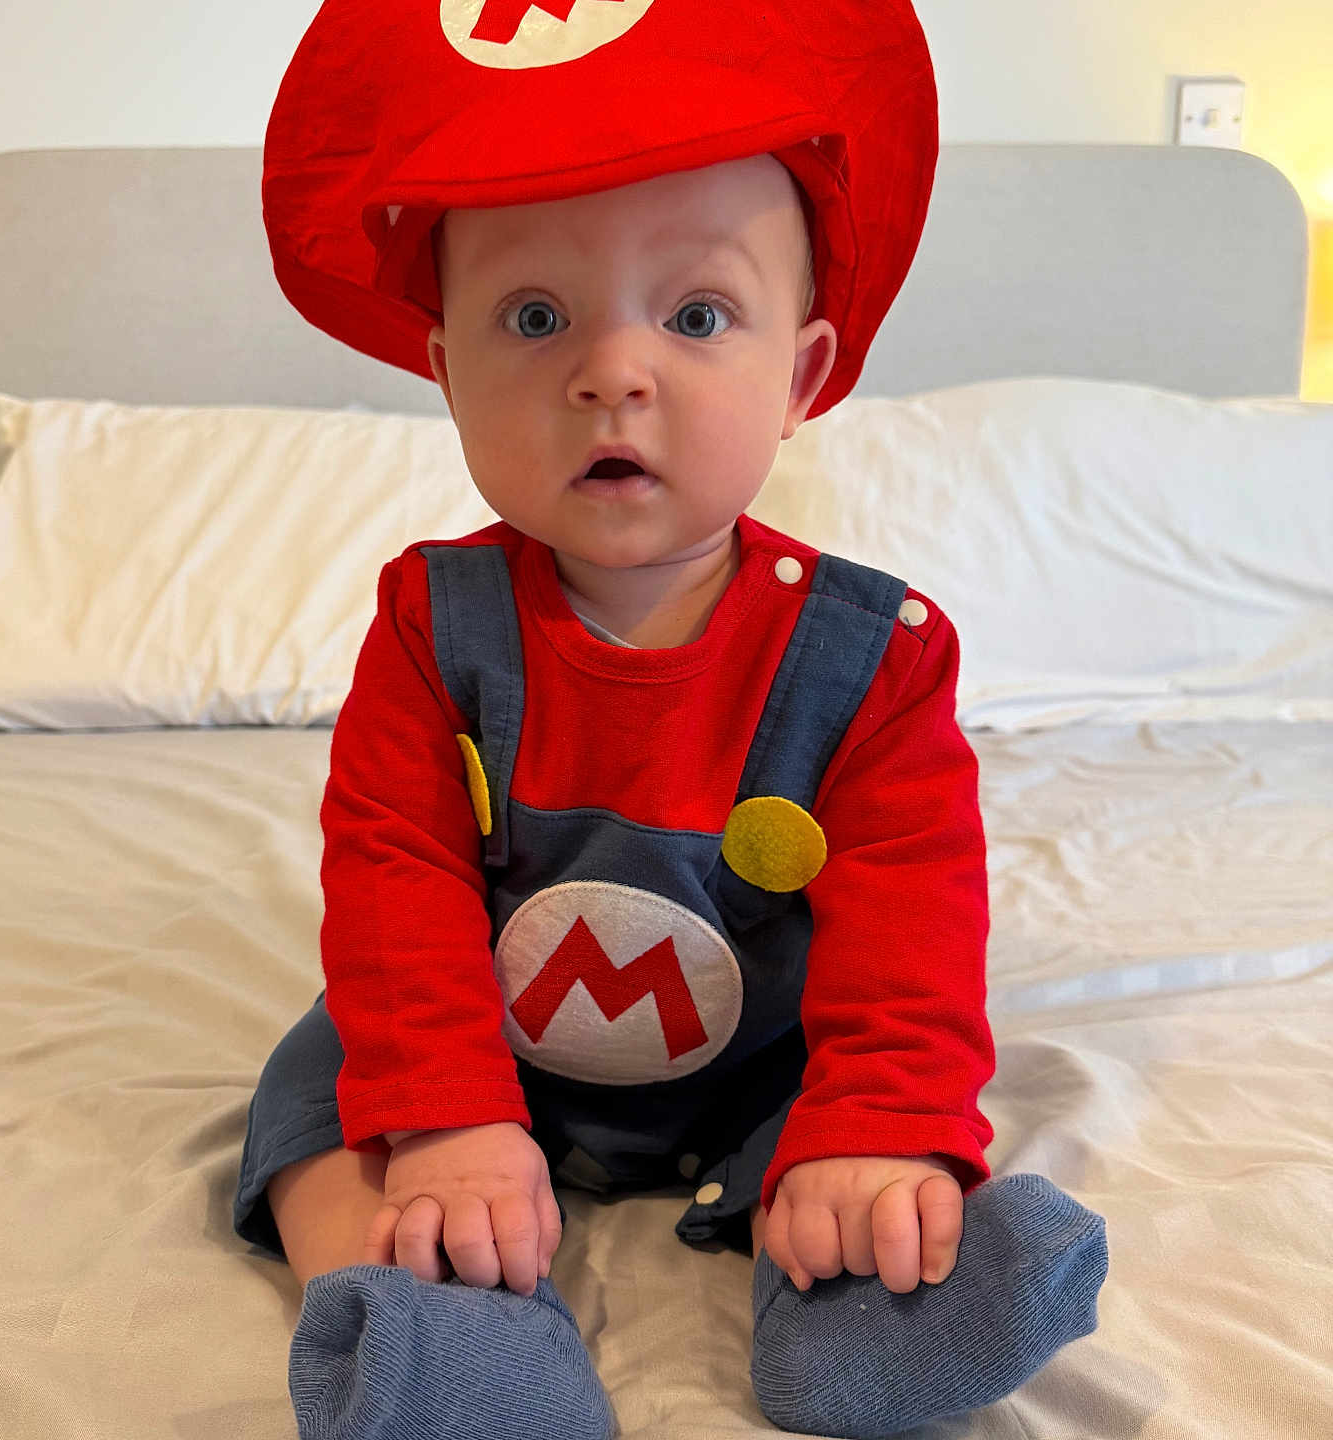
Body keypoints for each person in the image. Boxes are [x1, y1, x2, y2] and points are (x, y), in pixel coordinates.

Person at [235, 4, 1110, 1437]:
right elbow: (394, 876)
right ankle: (427, 1317)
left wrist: (878, 1128)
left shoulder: (873, 659)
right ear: (446, 367)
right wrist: (452, 1116)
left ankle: (868, 1312)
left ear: (805, 378)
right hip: (487, 1037)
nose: (613, 372)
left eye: (697, 316)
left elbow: (911, 923)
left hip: (753, 1042)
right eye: (534, 319)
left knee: (864, 1117)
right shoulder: (426, 631)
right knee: (330, 1076)